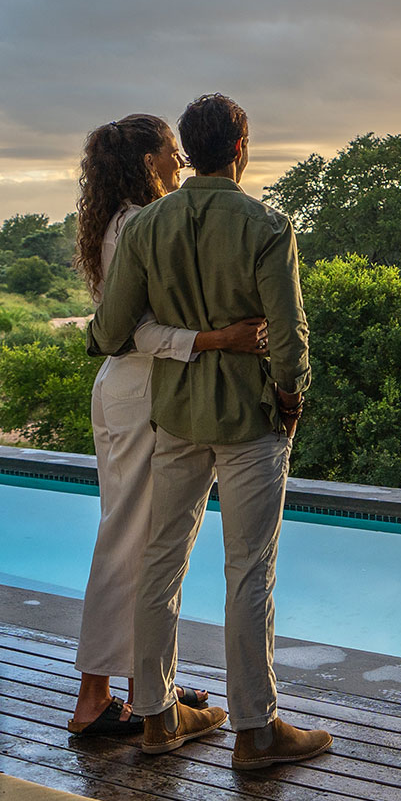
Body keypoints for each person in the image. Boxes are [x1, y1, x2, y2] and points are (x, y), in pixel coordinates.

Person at [89, 93, 331, 769]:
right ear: (241, 146)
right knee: (248, 571)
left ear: (190, 152)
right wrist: (291, 397)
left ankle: (157, 716)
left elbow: (110, 330)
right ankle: (256, 729)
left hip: (175, 416)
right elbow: (288, 332)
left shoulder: (147, 226)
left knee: (160, 563)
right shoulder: (266, 225)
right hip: (250, 419)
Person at [68, 113, 272, 736]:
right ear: (146, 161)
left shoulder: (127, 221)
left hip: (133, 391)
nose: (179, 160)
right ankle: (94, 698)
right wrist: (218, 339)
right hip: (140, 392)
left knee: (146, 542)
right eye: (169, 150)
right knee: (131, 542)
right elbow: (132, 333)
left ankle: (147, 686)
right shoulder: (138, 224)